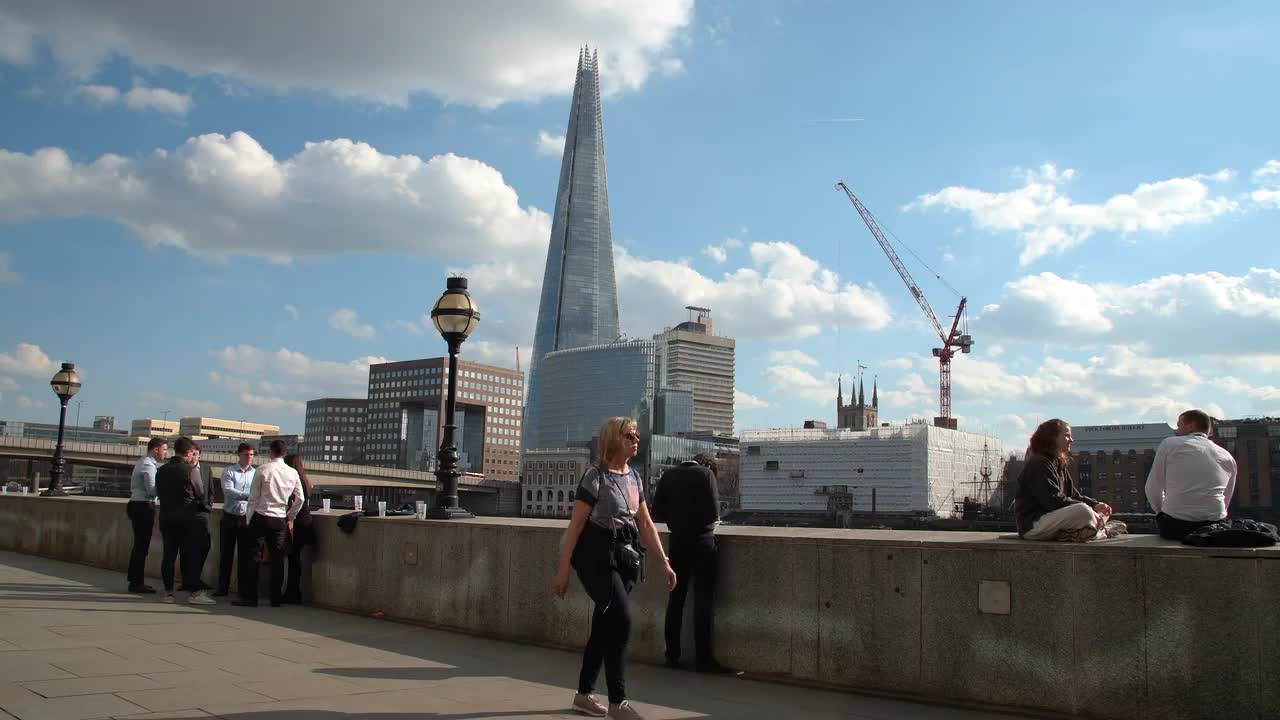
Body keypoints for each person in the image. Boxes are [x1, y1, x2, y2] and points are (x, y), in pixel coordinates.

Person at [553, 417, 677, 720]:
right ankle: (617, 701)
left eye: (636, 436)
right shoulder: (594, 477)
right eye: (629, 435)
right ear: (613, 439)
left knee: (604, 625)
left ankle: (583, 695)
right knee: (620, 619)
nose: (636, 440)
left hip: (623, 556)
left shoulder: (634, 477)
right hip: (596, 556)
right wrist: (563, 568)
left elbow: (645, 523)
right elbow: (576, 525)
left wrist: (664, 562)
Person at [651, 453, 733, 674]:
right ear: (709, 465)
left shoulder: (667, 476)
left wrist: (677, 522)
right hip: (702, 543)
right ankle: (703, 659)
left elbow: (656, 512)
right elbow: (713, 513)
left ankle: (672, 656)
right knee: (703, 601)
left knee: (676, 599)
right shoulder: (706, 475)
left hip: (677, 543)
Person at [1013, 419, 1113, 541]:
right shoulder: (1039, 463)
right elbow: (1052, 501)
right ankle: (1097, 530)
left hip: (1051, 520)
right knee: (1084, 511)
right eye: (1066, 436)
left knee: (1098, 511)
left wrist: (1096, 505)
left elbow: (1074, 495)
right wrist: (1090, 509)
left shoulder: (1058, 464)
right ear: (1052, 437)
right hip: (1033, 525)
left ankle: (1082, 531)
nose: (1071, 440)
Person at [1145, 409, 1238, 540]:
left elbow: (1153, 487)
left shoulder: (1170, 444)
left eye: (1179, 425)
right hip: (1215, 527)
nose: (1176, 430)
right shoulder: (1227, 456)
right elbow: (1226, 498)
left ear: (1191, 426)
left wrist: (1160, 512)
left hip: (1176, 525)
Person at [236, 439, 303, 608]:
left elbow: (253, 498)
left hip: (261, 515)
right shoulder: (292, 473)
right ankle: (275, 598)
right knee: (278, 559)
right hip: (280, 518)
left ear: (271, 452)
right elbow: (300, 498)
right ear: (285, 453)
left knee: (254, 557)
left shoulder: (263, 469)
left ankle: (251, 598)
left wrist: (249, 518)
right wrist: (290, 516)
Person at [154, 436, 215, 605]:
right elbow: (201, 493)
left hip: (167, 517)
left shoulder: (162, 470)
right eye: (191, 454)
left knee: (168, 556)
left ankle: (168, 593)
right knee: (191, 556)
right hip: (188, 519)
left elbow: (158, 492)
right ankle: (194, 593)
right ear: (188, 452)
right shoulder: (190, 470)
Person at [126, 437, 167, 594]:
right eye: (164, 449)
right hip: (142, 506)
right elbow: (151, 490)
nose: (165, 452)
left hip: (138, 505)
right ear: (155, 449)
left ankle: (135, 580)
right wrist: (167, 489)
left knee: (139, 546)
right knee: (141, 547)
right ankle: (136, 583)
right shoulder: (148, 465)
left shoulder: (144, 462)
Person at [214, 443, 256, 597]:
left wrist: (251, 497)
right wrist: (248, 496)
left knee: (245, 556)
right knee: (226, 554)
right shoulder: (229, 471)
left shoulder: (255, 473)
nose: (249, 457)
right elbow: (228, 491)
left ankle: (242, 589)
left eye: (251, 455)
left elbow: (257, 492)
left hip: (246, 517)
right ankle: (222, 587)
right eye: (246, 454)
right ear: (239, 455)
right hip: (230, 516)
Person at [281, 454, 316, 604]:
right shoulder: (305, 480)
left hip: (297, 523)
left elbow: (295, 501)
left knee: (293, 558)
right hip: (306, 522)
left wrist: (289, 517)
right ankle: (294, 592)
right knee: (296, 557)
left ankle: (292, 592)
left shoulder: (293, 479)